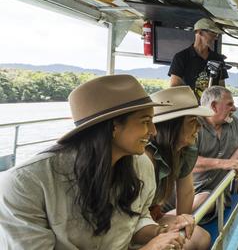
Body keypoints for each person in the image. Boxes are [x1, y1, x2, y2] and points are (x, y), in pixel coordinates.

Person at [0, 75, 185, 249]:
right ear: (113, 127)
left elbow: (137, 219)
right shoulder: (26, 184)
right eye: (145, 121)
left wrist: (160, 232)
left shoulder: (142, 165)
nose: (153, 131)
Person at [147, 86, 214, 250]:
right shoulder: (145, 157)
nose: (199, 127)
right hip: (134, 225)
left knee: (202, 238)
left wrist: (181, 224)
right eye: (193, 121)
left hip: (154, 217)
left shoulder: (184, 150)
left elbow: (186, 191)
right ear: (171, 127)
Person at [191, 86, 238, 213]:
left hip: (218, 194)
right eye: (230, 104)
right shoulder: (192, 126)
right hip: (190, 191)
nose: (234, 108)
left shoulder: (235, 123)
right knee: (202, 199)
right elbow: (186, 163)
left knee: (206, 198)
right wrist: (224, 163)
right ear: (214, 106)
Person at [169, 18, 229, 97]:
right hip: (190, 107)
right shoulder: (181, 57)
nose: (215, 37)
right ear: (200, 32)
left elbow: (221, 88)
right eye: (213, 33)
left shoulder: (218, 59)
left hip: (210, 108)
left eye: (216, 34)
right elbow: (174, 87)